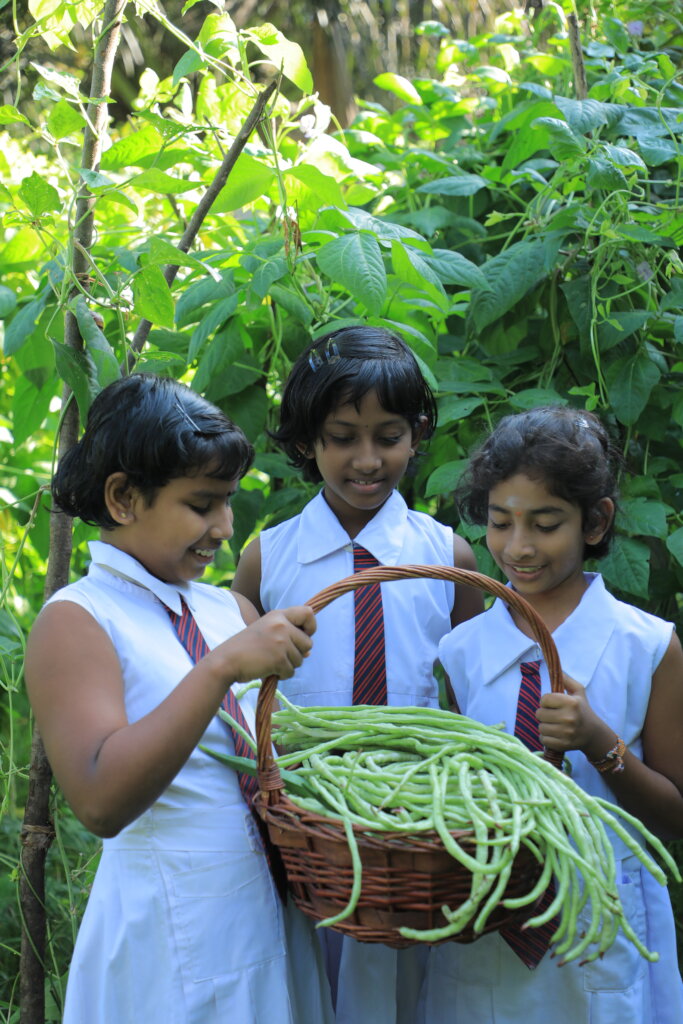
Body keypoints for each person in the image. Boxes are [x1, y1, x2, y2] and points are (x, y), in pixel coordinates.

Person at [24, 373, 334, 1024]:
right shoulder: (79, 619)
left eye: (228, 502)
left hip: (267, 921)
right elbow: (101, 801)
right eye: (202, 504)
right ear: (123, 497)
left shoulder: (228, 608)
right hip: (167, 939)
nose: (224, 527)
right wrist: (220, 668)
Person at [232, 325, 484, 1024]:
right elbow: (239, 695)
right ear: (308, 441)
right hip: (305, 831)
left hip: (410, 828)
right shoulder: (267, 559)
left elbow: (471, 701)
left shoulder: (447, 557)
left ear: (417, 434)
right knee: (306, 989)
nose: (366, 459)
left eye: (388, 435)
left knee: (401, 993)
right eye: (342, 436)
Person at [419, 405, 683, 1023]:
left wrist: (601, 744)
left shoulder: (647, 647)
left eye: (545, 524)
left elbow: (676, 817)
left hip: (602, 933)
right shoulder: (460, 651)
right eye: (500, 522)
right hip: (485, 932)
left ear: (596, 522)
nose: (518, 547)